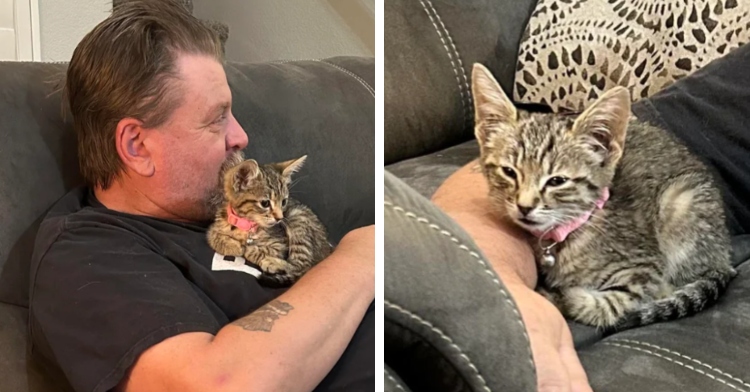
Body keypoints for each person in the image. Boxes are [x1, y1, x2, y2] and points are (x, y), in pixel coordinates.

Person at [28, 1, 374, 391]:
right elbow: (218, 385)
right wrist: (361, 256)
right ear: (137, 146)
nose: (240, 137)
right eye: (217, 118)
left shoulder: (217, 205)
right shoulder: (87, 254)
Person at [385, 39, 750, 392]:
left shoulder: (605, 219)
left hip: (676, 229)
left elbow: (646, 270)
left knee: (681, 206)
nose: (525, 201)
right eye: (511, 175)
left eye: (555, 182)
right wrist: (493, 277)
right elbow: (484, 179)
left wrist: (585, 303)